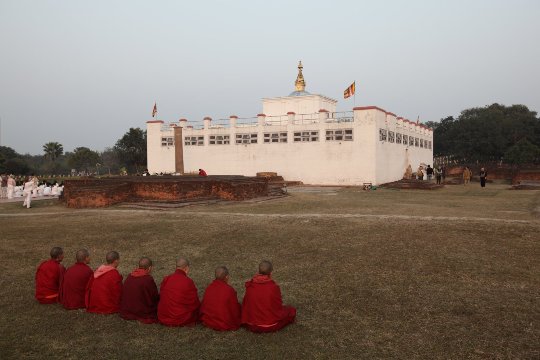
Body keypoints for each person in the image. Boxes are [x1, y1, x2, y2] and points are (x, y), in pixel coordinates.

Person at [241, 260, 296, 333]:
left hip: (251, 324)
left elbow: (247, 304)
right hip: (270, 325)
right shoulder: (273, 287)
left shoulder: (250, 285)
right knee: (291, 311)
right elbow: (277, 307)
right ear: (270, 272)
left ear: (258, 271)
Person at [157, 258, 200, 327]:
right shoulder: (188, 281)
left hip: (164, 315)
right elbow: (194, 302)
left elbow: (161, 295)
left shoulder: (167, 278)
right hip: (180, 318)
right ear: (186, 268)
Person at [200, 266, 242, 331]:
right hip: (223, 323)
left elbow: (204, 306)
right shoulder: (229, 290)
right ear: (227, 277)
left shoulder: (209, 288)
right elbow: (234, 310)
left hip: (208, 321)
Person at [120, 257, 160, 324]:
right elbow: (154, 296)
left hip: (127, 309)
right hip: (142, 311)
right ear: (149, 268)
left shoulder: (130, 276)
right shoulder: (148, 279)